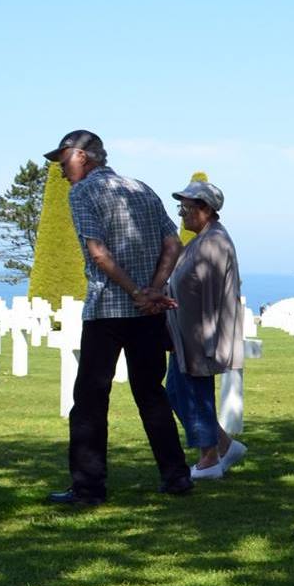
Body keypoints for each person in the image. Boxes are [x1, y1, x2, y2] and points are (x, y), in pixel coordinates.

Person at [45, 130, 194, 506]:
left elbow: (97, 252)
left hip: (108, 309)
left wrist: (135, 292)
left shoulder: (82, 193)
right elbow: (173, 243)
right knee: (151, 393)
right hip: (147, 313)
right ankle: (176, 477)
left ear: (83, 157)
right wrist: (154, 290)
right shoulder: (141, 188)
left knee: (91, 400)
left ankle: (88, 488)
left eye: (64, 162)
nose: (62, 172)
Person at [163, 179, 247, 481]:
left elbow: (211, 294)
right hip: (185, 333)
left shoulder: (213, 242)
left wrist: (208, 341)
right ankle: (224, 444)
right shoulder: (200, 239)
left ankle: (209, 458)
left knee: (194, 394)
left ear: (206, 209)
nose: (182, 213)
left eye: (187, 207)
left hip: (200, 334)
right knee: (175, 391)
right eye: (181, 207)